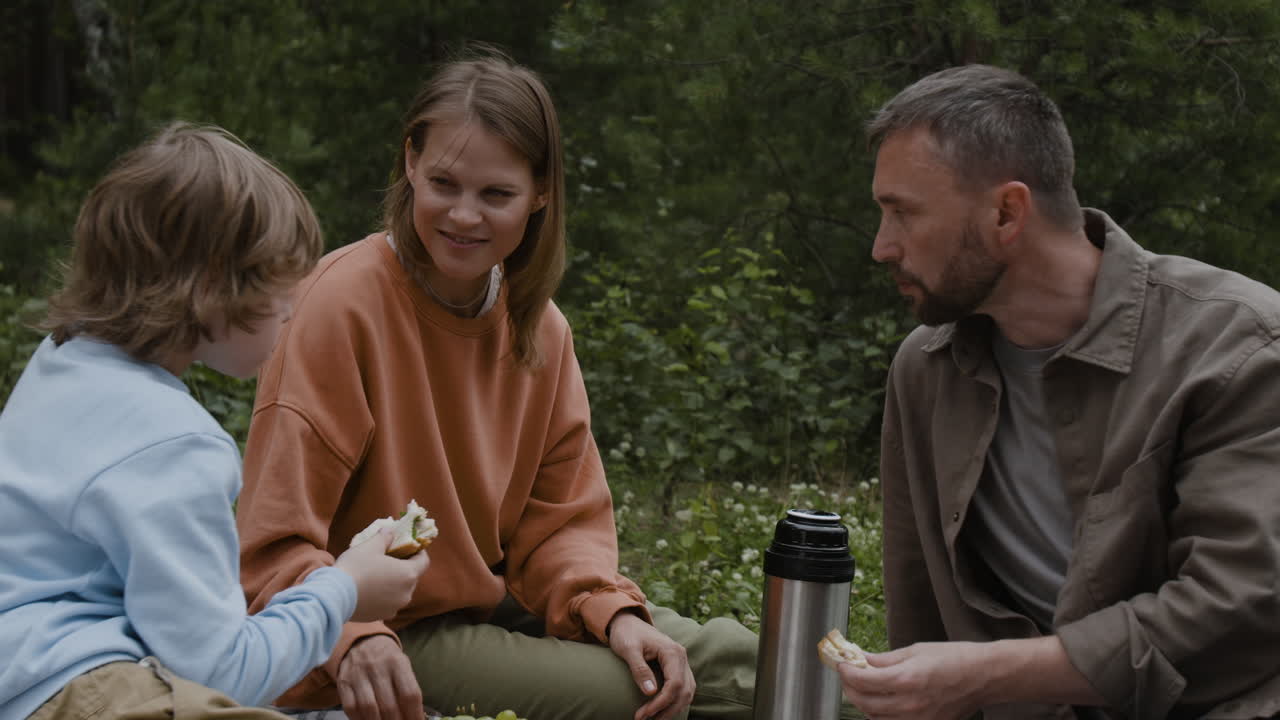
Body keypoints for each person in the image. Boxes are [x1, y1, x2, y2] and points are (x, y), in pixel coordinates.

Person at [235, 51, 786, 720]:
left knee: (751, 661)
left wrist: (613, 613)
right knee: (634, 693)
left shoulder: (541, 327)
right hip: (384, 630)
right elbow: (271, 548)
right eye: (444, 183)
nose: (464, 215)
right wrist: (353, 636)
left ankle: (900, 692)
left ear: (541, 193)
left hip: (495, 600)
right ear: (410, 162)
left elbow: (560, 525)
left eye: (496, 195)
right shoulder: (338, 305)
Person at [834, 64, 1280, 719]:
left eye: (903, 214)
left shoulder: (1238, 346)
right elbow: (920, 608)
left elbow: (1238, 602)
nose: (881, 247)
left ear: (1007, 213)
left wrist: (986, 677)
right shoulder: (926, 370)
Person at [0, 123, 429, 720]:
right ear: (211, 289)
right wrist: (345, 589)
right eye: (279, 287)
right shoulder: (172, 441)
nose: (291, 310)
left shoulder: (63, 360)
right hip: (81, 692)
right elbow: (228, 673)